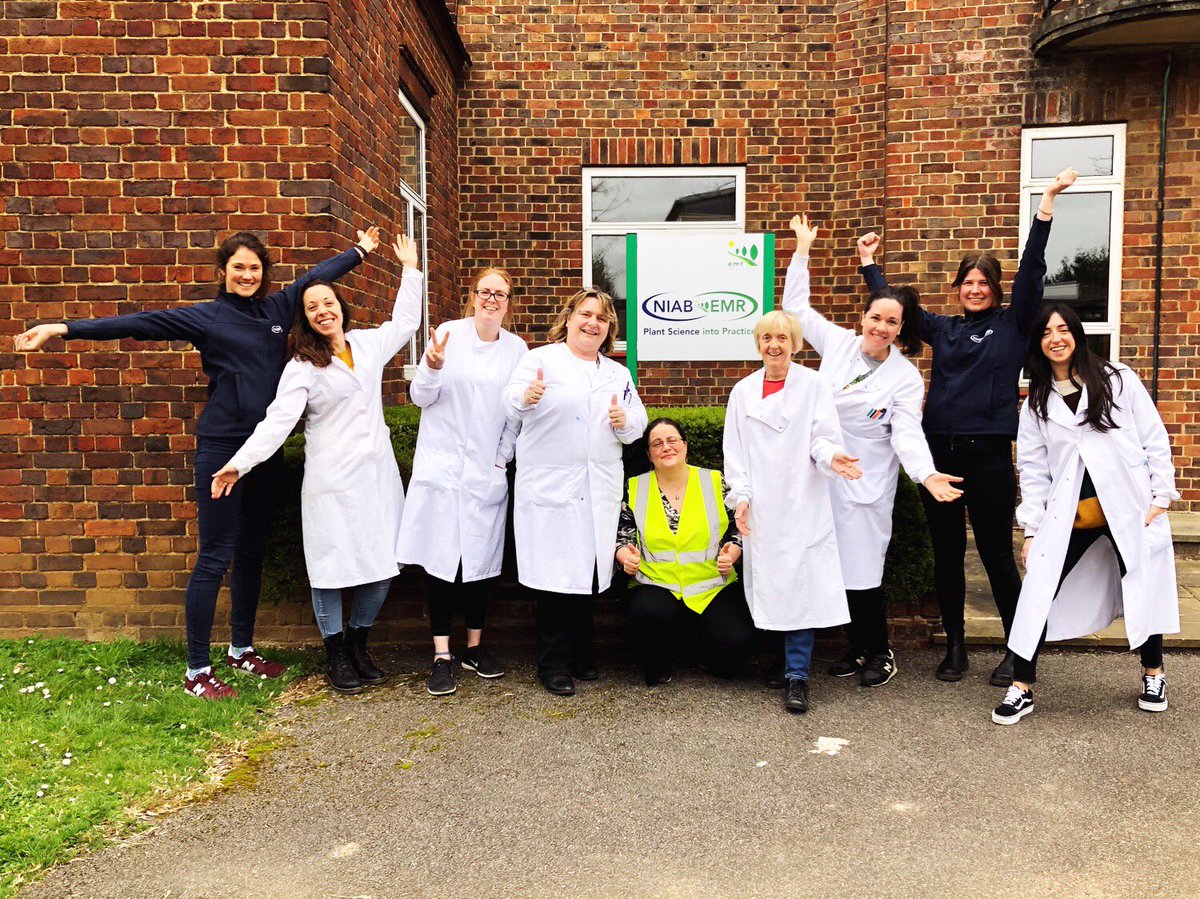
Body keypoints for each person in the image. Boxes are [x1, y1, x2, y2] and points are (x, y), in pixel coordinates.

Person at [15, 227, 378, 699]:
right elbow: (138, 323)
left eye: (254, 267)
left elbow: (316, 276)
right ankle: (196, 671)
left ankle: (241, 651)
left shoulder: (278, 309)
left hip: (264, 453)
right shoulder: (207, 318)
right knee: (215, 556)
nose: (247, 275)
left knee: (250, 552)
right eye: (238, 267)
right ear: (222, 273)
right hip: (222, 448)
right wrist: (62, 329)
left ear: (263, 273)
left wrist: (359, 252)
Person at [857, 167, 1078, 686]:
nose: (976, 289)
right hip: (941, 455)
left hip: (990, 457)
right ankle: (954, 647)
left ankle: (1019, 649)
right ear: (957, 289)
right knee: (948, 555)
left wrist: (1045, 204)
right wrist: (869, 264)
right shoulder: (945, 329)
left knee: (998, 556)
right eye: (968, 282)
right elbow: (896, 310)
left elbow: (1032, 269)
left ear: (996, 290)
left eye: (984, 283)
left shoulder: (1013, 323)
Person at [211, 235, 423, 694]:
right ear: (304, 318)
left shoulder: (367, 347)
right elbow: (276, 423)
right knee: (329, 570)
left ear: (340, 306)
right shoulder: (302, 366)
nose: (322, 310)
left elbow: (406, 322)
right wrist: (239, 465)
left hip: (377, 479)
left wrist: (411, 269)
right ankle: (335, 654)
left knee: (384, 566)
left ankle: (358, 644)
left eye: (328, 301)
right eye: (312, 306)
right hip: (331, 482)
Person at [783, 214, 963, 687]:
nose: (881, 327)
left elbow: (905, 433)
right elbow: (797, 311)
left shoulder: (904, 377)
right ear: (863, 318)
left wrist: (926, 474)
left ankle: (880, 653)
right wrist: (802, 251)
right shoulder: (839, 344)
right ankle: (855, 647)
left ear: (902, 329)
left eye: (892, 322)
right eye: (876, 318)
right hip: (822, 473)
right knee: (829, 564)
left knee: (863, 571)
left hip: (866, 481)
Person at [992, 305, 1179, 724]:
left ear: (1076, 333)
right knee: (1038, 589)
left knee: (1142, 583)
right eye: (1045, 332)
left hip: (1129, 508)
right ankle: (1021, 686)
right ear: (1037, 343)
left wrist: (1161, 496)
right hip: (1071, 515)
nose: (1055, 337)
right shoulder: (1036, 403)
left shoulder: (1117, 380)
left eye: (1063, 329)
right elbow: (1035, 472)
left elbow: (1154, 437)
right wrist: (1031, 531)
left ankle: (1154, 674)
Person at [503, 288, 648, 696]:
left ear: (609, 329)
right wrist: (526, 397)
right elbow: (510, 402)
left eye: (602, 318)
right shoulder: (540, 360)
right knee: (555, 578)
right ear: (568, 319)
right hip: (551, 487)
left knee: (588, 573)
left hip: (597, 486)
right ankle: (553, 665)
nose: (592, 323)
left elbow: (638, 421)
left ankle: (583, 655)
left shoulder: (616, 374)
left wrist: (624, 420)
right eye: (585, 314)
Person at [396, 266, 528, 696]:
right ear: (472, 296)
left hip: (484, 476)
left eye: (501, 294)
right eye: (485, 291)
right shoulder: (448, 335)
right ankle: (441, 655)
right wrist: (431, 367)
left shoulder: (517, 349)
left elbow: (514, 415)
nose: (492, 299)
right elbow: (420, 397)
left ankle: (474, 647)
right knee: (440, 564)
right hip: (442, 472)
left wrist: (499, 462)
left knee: (479, 566)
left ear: (509, 303)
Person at [723, 310, 862, 714]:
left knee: (800, 589)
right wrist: (742, 496)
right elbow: (735, 454)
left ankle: (797, 676)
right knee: (770, 586)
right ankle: (779, 664)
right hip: (762, 508)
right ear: (758, 344)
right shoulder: (742, 392)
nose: (774, 345)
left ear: (796, 343)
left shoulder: (813, 385)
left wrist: (833, 457)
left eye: (782, 337)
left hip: (802, 503)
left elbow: (821, 437)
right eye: (766, 338)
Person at [616, 417, 756, 686]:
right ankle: (661, 659)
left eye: (672, 440)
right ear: (649, 454)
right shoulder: (635, 487)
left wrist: (733, 554)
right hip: (657, 583)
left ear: (685, 446)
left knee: (735, 648)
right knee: (647, 620)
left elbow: (739, 528)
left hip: (711, 584)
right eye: (657, 443)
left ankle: (707, 651)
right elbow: (621, 535)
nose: (666, 447)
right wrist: (625, 557)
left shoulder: (715, 481)